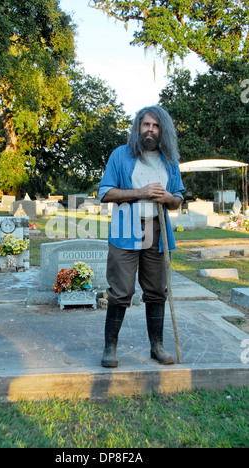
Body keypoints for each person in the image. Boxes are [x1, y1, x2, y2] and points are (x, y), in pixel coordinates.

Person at [99, 105, 185, 367]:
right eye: (146, 124)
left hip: (157, 230)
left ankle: (157, 346)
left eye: (156, 126)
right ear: (138, 127)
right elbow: (106, 193)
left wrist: (169, 197)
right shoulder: (120, 156)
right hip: (127, 229)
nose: (150, 130)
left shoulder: (169, 161)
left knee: (157, 290)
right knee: (121, 290)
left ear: (163, 131)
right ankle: (110, 348)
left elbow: (178, 198)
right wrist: (142, 192)